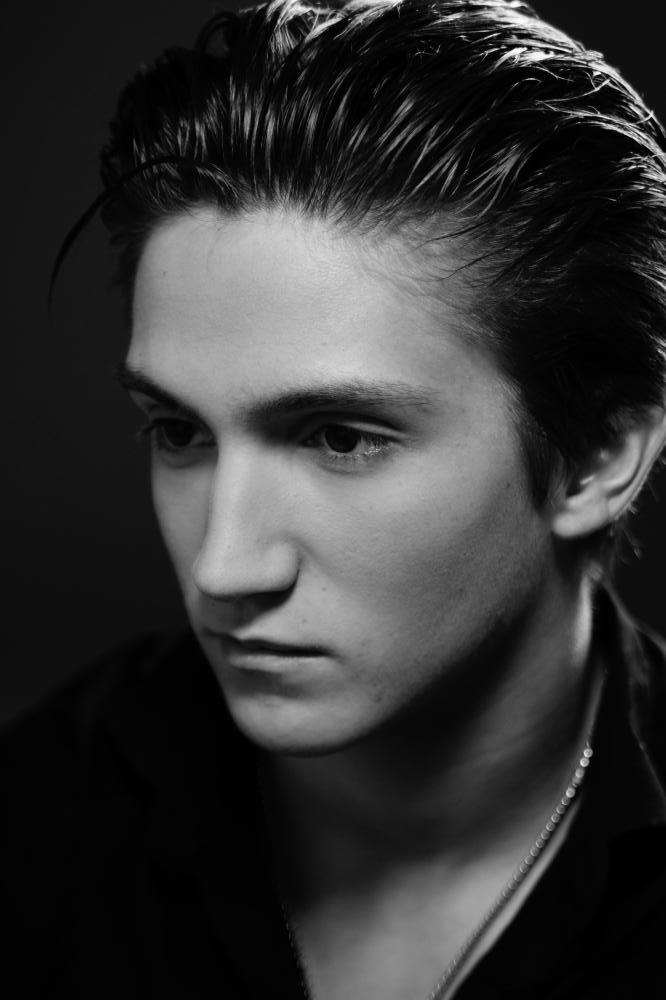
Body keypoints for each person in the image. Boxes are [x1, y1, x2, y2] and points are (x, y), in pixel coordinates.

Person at [3, 0, 666, 996]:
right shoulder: (36, 827)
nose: (224, 567)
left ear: (598, 456)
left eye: (342, 438)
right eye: (179, 432)